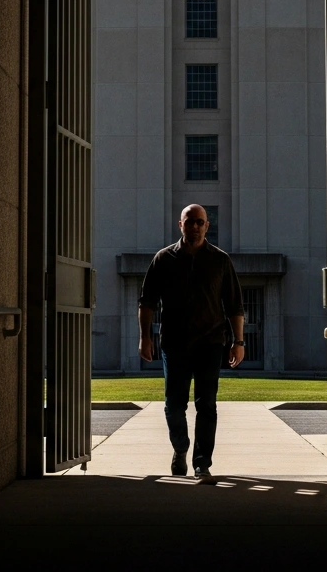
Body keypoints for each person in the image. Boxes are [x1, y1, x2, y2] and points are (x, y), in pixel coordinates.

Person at [137, 204, 245, 479]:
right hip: (174, 343)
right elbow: (147, 302)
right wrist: (144, 337)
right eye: (190, 222)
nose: (195, 226)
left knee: (206, 404)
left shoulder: (220, 260)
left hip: (210, 343)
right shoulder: (163, 259)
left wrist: (239, 341)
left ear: (207, 226)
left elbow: (234, 305)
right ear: (180, 224)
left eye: (200, 222)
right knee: (174, 405)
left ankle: (202, 463)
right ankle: (180, 448)